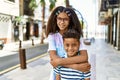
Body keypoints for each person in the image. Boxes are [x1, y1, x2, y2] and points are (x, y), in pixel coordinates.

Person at [46, 6, 91, 80]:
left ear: (70, 20)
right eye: (59, 18)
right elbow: (54, 59)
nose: (62, 22)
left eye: (65, 19)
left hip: (77, 75)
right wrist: (76, 67)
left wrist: (59, 62)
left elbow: (84, 57)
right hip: (59, 75)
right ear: (55, 19)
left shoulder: (77, 36)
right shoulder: (52, 36)